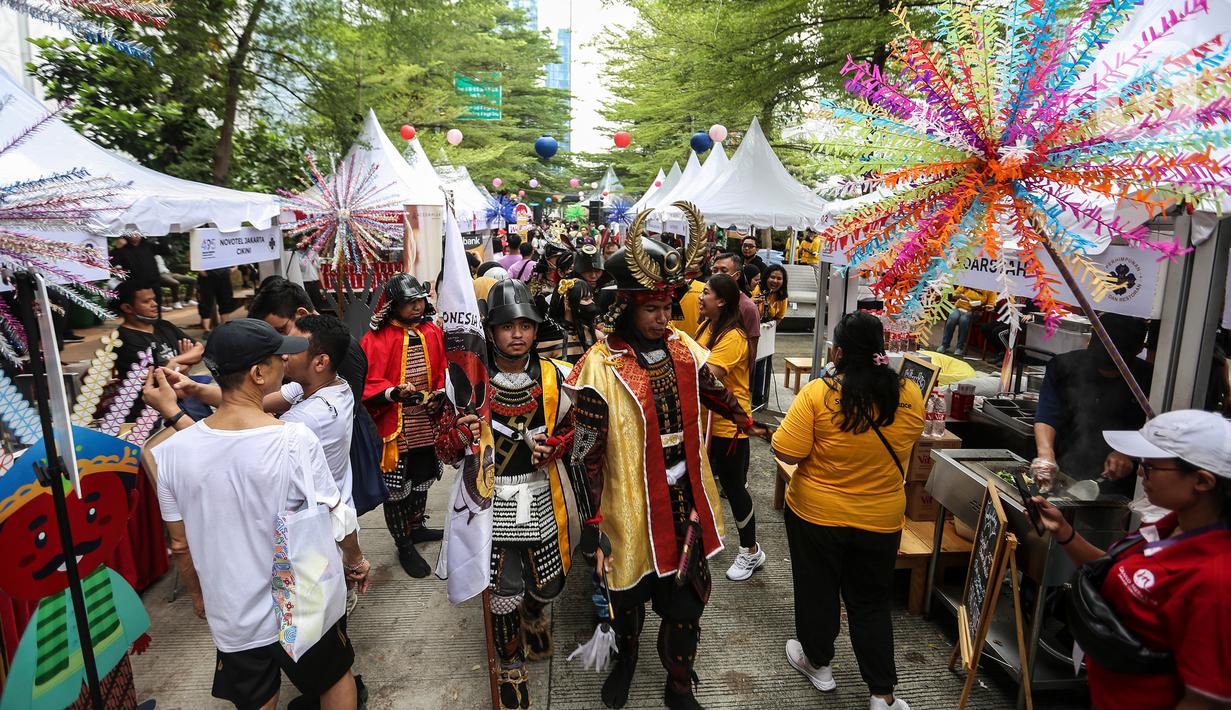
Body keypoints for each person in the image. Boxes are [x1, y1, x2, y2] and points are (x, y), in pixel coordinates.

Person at [568, 212, 765, 710]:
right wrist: (592, 521)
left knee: (686, 603)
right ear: (626, 308)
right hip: (628, 505)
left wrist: (744, 420)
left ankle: (679, 684)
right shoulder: (599, 365)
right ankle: (627, 659)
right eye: (652, 308)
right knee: (628, 600)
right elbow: (584, 451)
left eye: (667, 307)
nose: (663, 318)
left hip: (682, 500)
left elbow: (710, 386)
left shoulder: (681, 348)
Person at [145, 319, 371, 710]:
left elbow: (179, 545)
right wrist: (356, 560)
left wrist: (199, 597)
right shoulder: (294, 439)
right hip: (301, 601)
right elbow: (338, 515)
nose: (286, 361)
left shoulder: (170, 454)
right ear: (258, 373)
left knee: (256, 697)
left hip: (232, 610)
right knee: (334, 679)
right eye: (278, 356)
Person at [437, 280, 584, 710]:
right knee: (503, 592)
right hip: (491, 500)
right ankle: (511, 666)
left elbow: (580, 431)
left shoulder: (558, 376)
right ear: (491, 330)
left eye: (525, 325)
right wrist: (458, 434)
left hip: (544, 494)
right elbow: (445, 451)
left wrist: (557, 445)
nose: (517, 335)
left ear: (536, 329)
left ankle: (534, 613)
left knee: (549, 582)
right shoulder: (467, 382)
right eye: (507, 326)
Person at [771, 311, 924, 710]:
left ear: (838, 352)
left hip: (817, 516)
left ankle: (818, 663)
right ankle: (882, 695)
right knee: (871, 602)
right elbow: (912, 438)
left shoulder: (818, 393)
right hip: (881, 519)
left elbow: (786, 450)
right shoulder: (909, 393)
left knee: (817, 591)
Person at [1030, 410, 1231, 710]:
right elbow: (1117, 573)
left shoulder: (1215, 582)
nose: (1139, 473)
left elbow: (1205, 701)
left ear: (1201, 481)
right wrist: (1063, 531)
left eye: (1149, 467)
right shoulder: (1170, 527)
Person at [360, 274, 446, 578]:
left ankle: (417, 526)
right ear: (393, 305)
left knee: (423, 479)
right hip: (395, 426)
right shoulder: (375, 339)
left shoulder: (432, 331)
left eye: (420, 300)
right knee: (397, 488)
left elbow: (443, 369)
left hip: (426, 421)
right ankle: (404, 543)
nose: (417, 306)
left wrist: (440, 394)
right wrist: (392, 392)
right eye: (409, 302)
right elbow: (366, 380)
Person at [1033, 313, 1153, 496]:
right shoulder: (1063, 366)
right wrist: (1045, 456)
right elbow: (1047, 414)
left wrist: (1128, 451)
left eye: (1113, 369)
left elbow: (1155, 426)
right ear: (1090, 340)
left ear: (1139, 350)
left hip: (1120, 480)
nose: (1105, 373)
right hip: (1062, 463)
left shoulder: (1148, 378)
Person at [696, 274, 764, 581]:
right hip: (704, 423)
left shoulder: (734, 337)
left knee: (734, 488)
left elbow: (706, 373)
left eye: (706, 293)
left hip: (728, 428)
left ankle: (751, 551)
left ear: (722, 301)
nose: (700, 297)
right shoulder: (707, 327)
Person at [111, 281, 203, 420]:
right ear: (127, 308)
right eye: (146, 301)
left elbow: (200, 349)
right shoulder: (124, 339)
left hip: (181, 400)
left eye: (154, 299)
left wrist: (175, 361)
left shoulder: (163, 325)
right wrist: (187, 361)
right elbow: (164, 373)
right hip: (149, 413)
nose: (154, 304)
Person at [710, 252, 760, 371]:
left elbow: (752, 348)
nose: (718, 275)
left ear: (737, 275)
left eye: (724, 270)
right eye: (715, 270)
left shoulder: (748, 307)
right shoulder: (708, 301)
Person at [936, 287, 994, 357]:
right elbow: (955, 294)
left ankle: (960, 347)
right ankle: (944, 345)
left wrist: (988, 306)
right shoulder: (968, 282)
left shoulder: (991, 287)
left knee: (963, 320)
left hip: (974, 311)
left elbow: (991, 304)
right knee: (952, 317)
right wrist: (961, 296)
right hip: (959, 307)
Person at [110, 233, 167, 300]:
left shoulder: (148, 246)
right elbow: (111, 263)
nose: (136, 235)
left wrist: (161, 234)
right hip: (135, 287)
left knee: (156, 304)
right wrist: (116, 249)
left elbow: (166, 250)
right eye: (133, 232)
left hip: (154, 285)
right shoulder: (122, 249)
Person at [198, 266, 238, 333]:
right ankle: (206, 330)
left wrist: (233, 269)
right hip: (207, 276)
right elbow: (193, 260)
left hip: (224, 276)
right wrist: (201, 271)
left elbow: (234, 261)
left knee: (225, 301)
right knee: (205, 303)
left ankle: (225, 327)